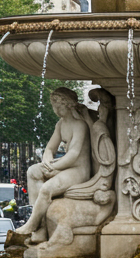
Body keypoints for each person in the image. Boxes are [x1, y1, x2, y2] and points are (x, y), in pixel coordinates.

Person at [14, 88, 93, 239]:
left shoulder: (79, 125)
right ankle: (40, 224)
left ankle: (33, 225)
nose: (55, 109)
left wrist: (54, 167)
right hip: (65, 166)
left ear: (69, 104)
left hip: (78, 170)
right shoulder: (60, 125)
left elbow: (73, 154)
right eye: (53, 105)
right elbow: (50, 148)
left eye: (58, 105)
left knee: (46, 189)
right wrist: (47, 162)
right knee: (33, 171)